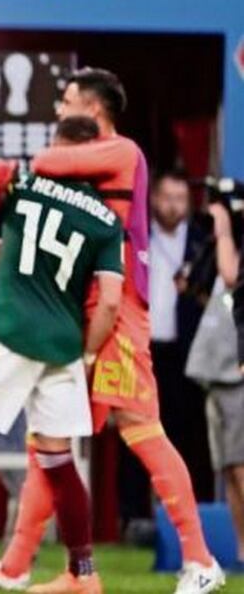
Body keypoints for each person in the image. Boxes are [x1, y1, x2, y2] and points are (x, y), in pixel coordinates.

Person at [0, 68, 226, 594]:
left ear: (94, 109)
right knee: (49, 439)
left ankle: (200, 560)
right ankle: (18, 569)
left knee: (140, 426)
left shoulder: (123, 152)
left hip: (118, 311)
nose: (59, 110)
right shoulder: (91, 166)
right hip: (82, 308)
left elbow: (45, 162)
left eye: (68, 100)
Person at [0, 116, 125, 593]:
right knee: (57, 458)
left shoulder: (20, 187)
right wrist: (88, 353)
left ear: (57, 147)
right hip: (65, 345)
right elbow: (110, 299)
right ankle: (83, 574)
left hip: (14, 332)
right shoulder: (104, 217)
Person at [148, 170, 214, 500]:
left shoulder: (203, 242)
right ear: (154, 199)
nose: (173, 207)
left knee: (192, 433)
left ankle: (195, 505)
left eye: (180, 199)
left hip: (190, 352)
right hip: (147, 351)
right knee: (145, 432)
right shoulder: (139, 238)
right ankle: (136, 515)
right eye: (167, 198)